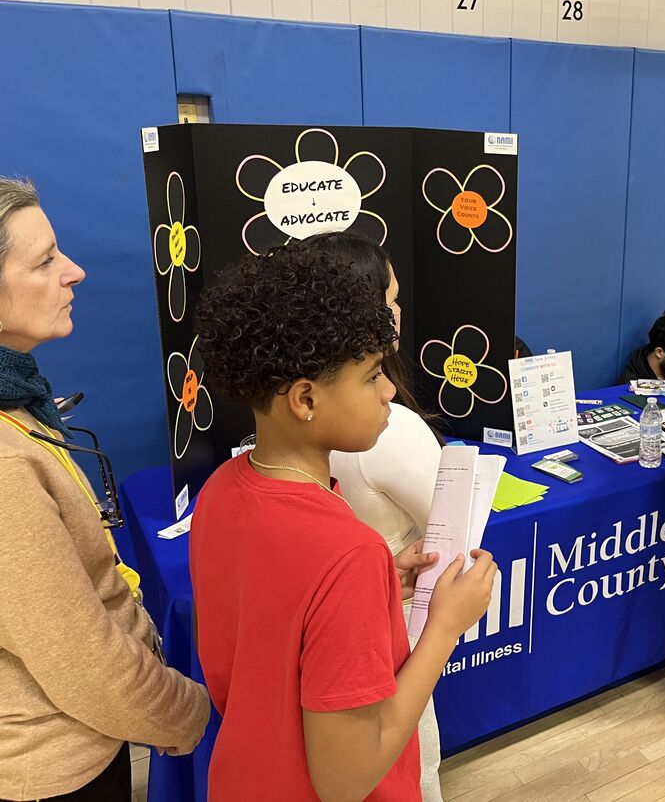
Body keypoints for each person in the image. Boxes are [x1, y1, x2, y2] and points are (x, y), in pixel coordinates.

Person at [189, 238, 497, 801]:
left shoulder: (220, 494)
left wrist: (378, 583)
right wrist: (444, 630)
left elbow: (268, 640)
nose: (387, 392)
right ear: (305, 399)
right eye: (372, 375)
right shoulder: (343, 551)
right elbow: (345, 779)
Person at [0, 177, 209, 801]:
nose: (75, 272)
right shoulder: (6, 466)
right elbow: (80, 661)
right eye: (45, 262)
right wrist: (187, 712)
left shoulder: (20, 402)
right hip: (56, 768)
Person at [317, 232, 448, 802]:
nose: (398, 310)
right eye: (389, 298)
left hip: (351, 631)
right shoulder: (388, 428)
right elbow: (454, 534)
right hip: (387, 635)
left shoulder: (305, 424)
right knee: (406, 767)